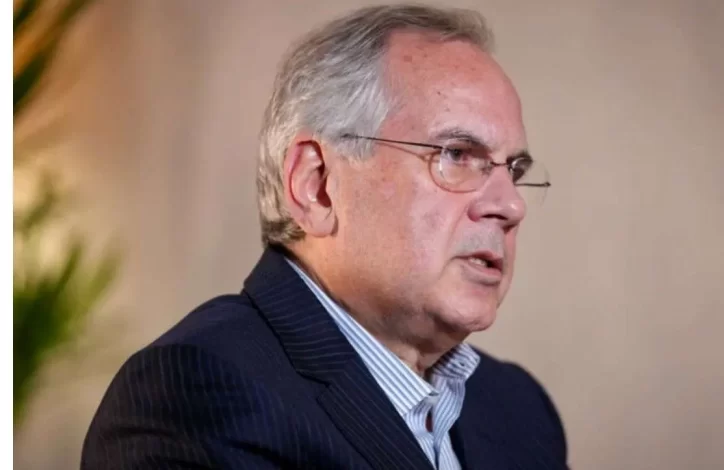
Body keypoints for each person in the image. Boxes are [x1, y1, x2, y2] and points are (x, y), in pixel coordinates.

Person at [81, 4, 568, 469]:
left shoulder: (517, 406)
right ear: (316, 186)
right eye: (457, 155)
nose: (511, 205)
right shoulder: (195, 394)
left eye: (514, 170)